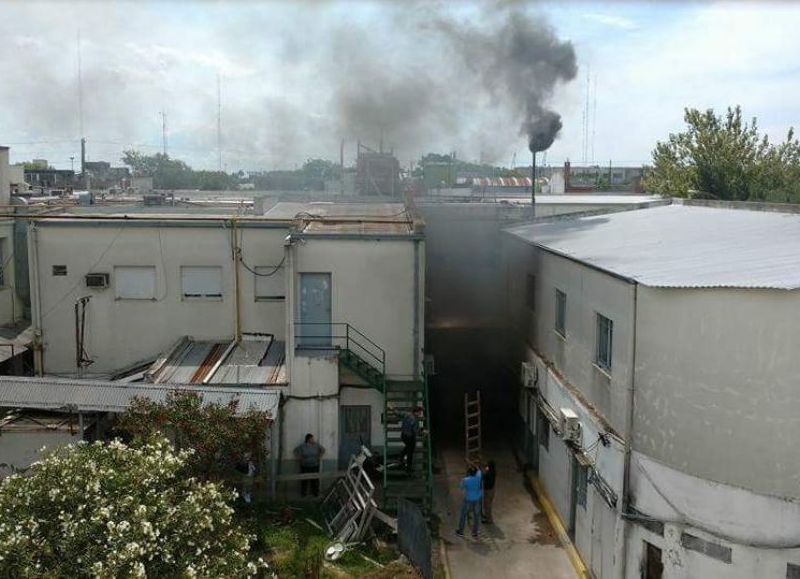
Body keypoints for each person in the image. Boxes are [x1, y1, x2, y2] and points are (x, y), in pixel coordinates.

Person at [456, 464, 483, 539]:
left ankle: (461, 531)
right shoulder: (479, 476)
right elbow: (479, 470)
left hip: (468, 499)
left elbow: (461, 487)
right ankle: (475, 532)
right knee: (476, 516)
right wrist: (475, 466)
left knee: (463, 514)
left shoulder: (466, 480)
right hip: (477, 498)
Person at [400, 406, 424, 474]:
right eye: (419, 412)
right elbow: (416, 431)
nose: (420, 413)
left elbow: (399, 413)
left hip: (403, 435)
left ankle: (401, 457)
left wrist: (393, 410)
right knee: (410, 453)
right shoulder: (415, 420)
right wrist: (422, 432)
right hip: (410, 437)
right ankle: (408, 469)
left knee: (408, 448)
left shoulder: (407, 414)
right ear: (416, 412)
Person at [482, 460, 496, 524]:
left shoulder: (488, 474)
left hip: (488, 491)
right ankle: (487, 516)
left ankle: (489, 520)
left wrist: (484, 471)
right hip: (492, 490)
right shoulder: (493, 471)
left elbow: (483, 476)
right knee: (488, 504)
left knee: (487, 506)